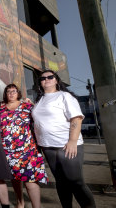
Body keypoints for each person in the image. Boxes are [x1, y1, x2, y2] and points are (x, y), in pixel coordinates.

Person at [31, 70, 96, 208]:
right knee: (61, 182)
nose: (46, 79)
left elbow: (76, 119)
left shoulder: (64, 96)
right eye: (43, 78)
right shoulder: (39, 100)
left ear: (56, 80)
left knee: (76, 181)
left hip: (67, 145)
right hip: (48, 146)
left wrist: (72, 141)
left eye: (50, 77)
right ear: (40, 83)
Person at [0, 84, 48, 208]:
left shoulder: (27, 106)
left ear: (18, 93)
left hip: (28, 149)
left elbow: (41, 119)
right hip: (8, 151)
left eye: (13, 91)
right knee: (15, 179)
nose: (11, 93)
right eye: (8, 91)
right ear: (5, 93)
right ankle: (20, 202)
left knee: (30, 181)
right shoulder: (0, 108)